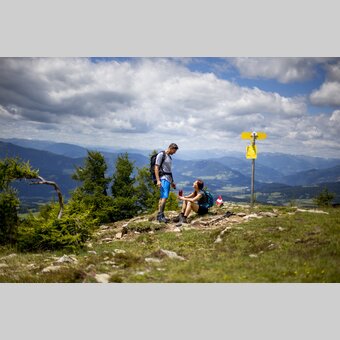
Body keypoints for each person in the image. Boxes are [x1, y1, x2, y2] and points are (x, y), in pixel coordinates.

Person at [155, 143, 179, 223]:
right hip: (163, 178)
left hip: (168, 179)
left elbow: (169, 171)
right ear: (171, 148)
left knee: (163, 197)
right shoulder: (161, 155)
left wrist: (172, 182)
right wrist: (158, 180)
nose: (174, 153)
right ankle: (160, 216)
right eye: (174, 151)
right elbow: (156, 167)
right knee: (164, 197)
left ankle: (159, 215)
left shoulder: (169, 157)